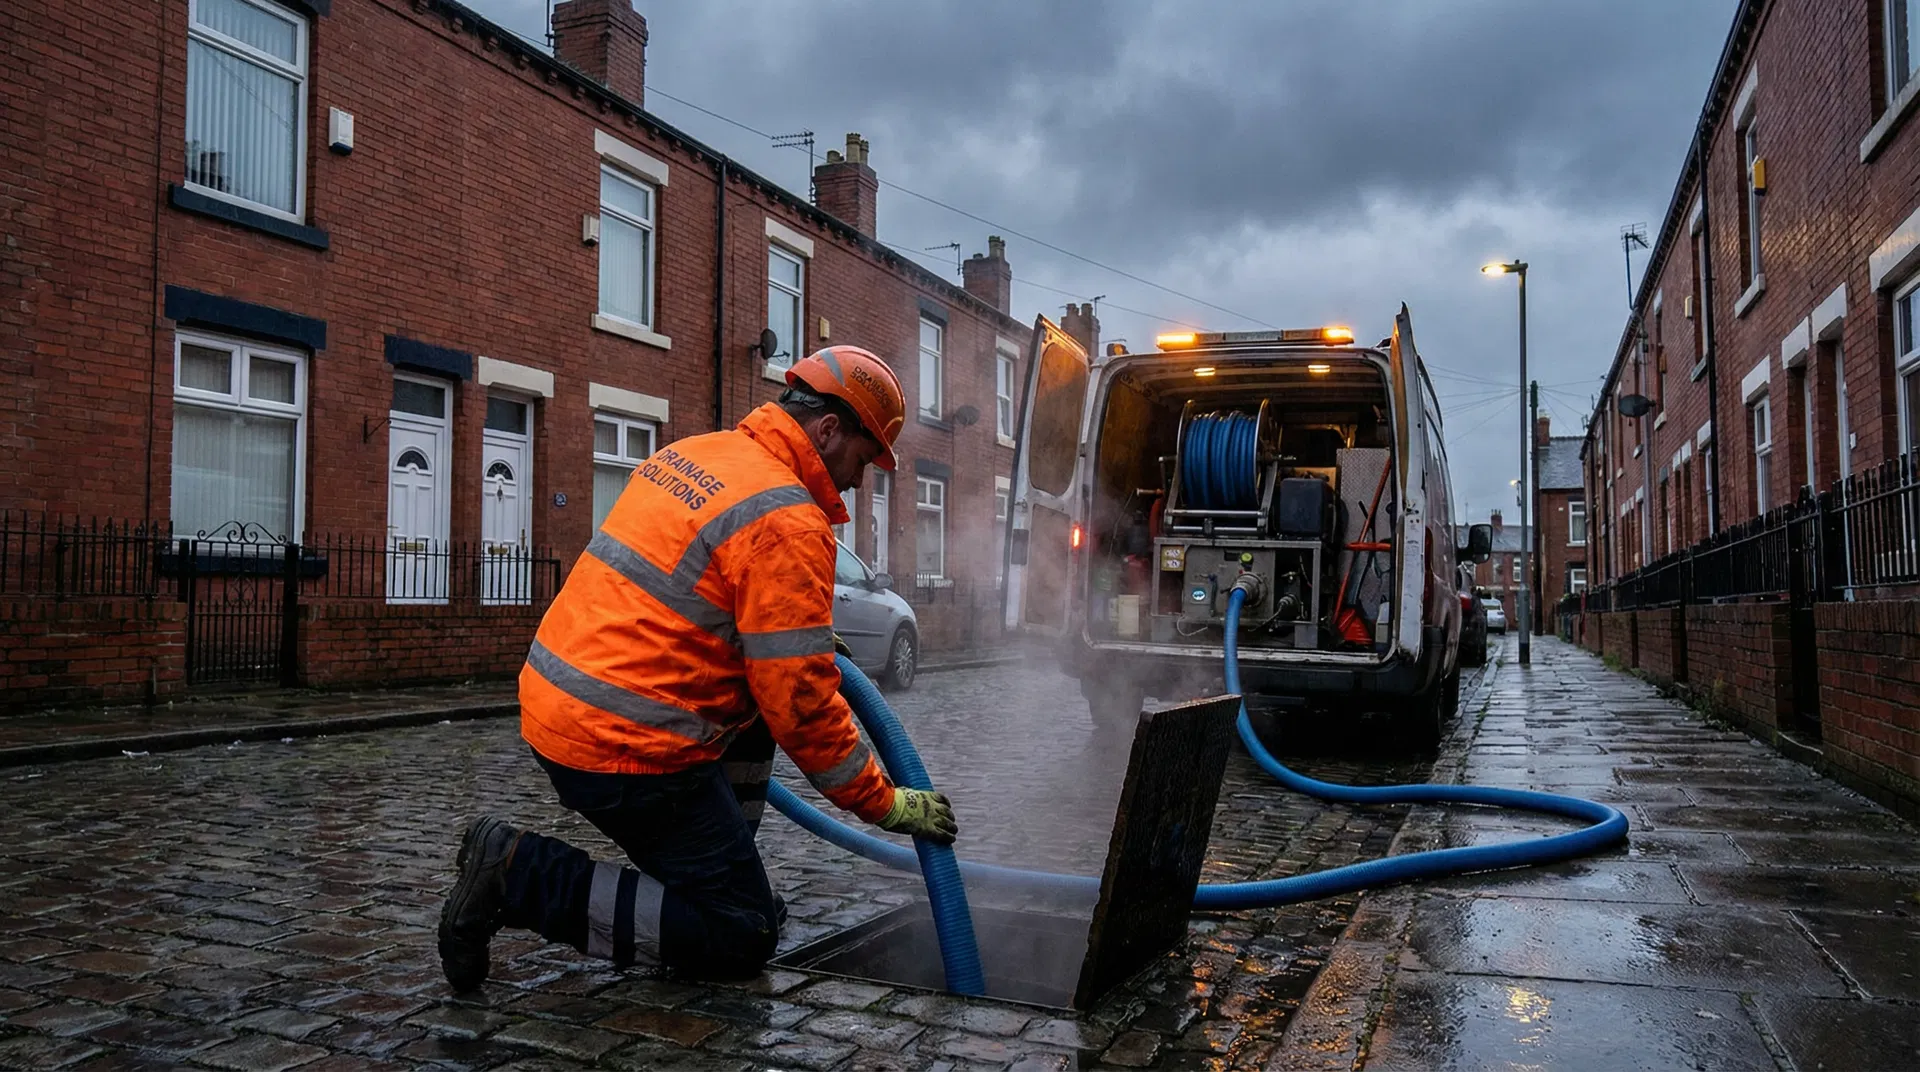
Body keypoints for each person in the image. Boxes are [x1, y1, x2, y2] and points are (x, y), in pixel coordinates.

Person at [437, 346, 959, 990]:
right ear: (827, 430)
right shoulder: (789, 520)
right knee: (742, 933)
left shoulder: (695, 454)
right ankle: (516, 875)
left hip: (561, 701)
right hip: (624, 744)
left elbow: (710, 611)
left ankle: (714, 878)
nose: (860, 480)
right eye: (863, 458)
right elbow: (801, 707)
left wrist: (799, 642)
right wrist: (886, 804)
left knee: (752, 730)